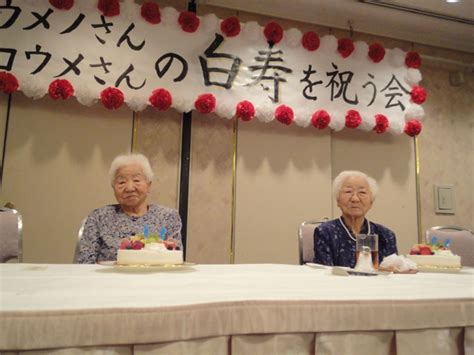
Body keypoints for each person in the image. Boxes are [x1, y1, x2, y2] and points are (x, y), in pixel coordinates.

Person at [76, 153, 182, 264]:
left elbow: (175, 260)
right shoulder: (98, 217)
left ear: (149, 185)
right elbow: (84, 263)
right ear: (113, 187)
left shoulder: (169, 217)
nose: (130, 188)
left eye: (136, 180)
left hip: (154, 280)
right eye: (121, 182)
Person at [314, 170, 397, 268]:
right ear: (337, 200)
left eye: (362, 192)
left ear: (371, 202)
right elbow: (324, 273)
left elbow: (393, 273)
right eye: (348, 192)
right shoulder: (325, 232)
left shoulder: (385, 235)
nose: (355, 199)